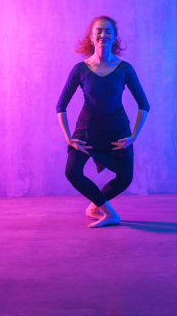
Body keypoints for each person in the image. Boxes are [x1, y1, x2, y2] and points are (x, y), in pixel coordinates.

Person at [56, 16, 150, 228]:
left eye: (108, 31)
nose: (103, 35)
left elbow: (144, 104)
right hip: (87, 130)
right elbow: (60, 106)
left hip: (117, 130)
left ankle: (94, 207)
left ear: (114, 36)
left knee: (125, 177)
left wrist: (133, 136)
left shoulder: (125, 68)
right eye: (98, 31)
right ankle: (110, 214)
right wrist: (69, 138)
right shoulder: (80, 69)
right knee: (72, 171)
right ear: (91, 36)